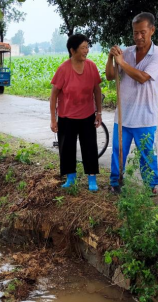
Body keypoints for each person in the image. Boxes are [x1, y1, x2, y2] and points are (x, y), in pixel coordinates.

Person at [106, 12, 158, 195]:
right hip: (124, 114)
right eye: (135, 33)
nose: (139, 37)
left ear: (152, 30)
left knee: (147, 153)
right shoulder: (127, 52)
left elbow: (142, 77)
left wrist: (122, 63)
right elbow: (110, 76)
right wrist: (111, 58)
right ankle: (115, 182)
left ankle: (150, 186)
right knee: (118, 151)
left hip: (145, 115)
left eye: (143, 32)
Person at [50, 33, 103, 192]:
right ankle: (70, 177)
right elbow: (53, 95)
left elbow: (97, 90)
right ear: (72, 50)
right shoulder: (64, 69)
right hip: (66, 117)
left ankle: (92, 178)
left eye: (87, 47)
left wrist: (98, 112)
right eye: (83, 48)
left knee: (90, 147)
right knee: (67, 148)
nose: (86, 50)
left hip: (87, 115)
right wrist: (53, 119)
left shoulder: (91, 67)